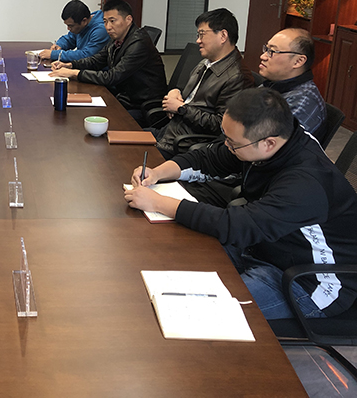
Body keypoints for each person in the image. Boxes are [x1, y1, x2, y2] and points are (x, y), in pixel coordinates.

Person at [124, 88, 357, 320]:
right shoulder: (270, 143)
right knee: (173, 254)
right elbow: (210, 158)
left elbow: (239, 226)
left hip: (307, 280)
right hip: (265, 247)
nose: (227, 145)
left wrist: (160, 203)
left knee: (198, 313)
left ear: (268, 143)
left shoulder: (306, 183)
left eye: (233, 143)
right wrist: (157, 173)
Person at [153, 8, 253, 158]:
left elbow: (221, 125)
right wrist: (175, 92)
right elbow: (190, 97)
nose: (198, 40)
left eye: (202, 34)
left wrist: (181, 109)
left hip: (183, 145)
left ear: (223, 36)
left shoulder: (237, 77)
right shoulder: (206, 63)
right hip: (169, 132)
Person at [49, 0, 167, 123]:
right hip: (125, 97)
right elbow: (96, 60)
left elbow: (112, 77)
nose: (108, 27)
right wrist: (70, 65)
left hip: (141, 105)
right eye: (105, 22)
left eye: (112, 21)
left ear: (128, 20)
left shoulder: (139, 43)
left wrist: (75, 73)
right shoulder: (117, 39)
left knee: (87, 118)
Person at [259, 27, 326, 140]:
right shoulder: (273, 84)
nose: (263, 56)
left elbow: (265, 144)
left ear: (298, 61)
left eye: (272, 52)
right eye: (266, 49)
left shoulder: (303, 102)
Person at [39, 0, 109, 63]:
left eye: (71, 26)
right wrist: (59, 45)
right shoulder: (82, 23)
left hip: (96, 70)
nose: (68, 29)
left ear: (84, 21)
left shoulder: (101, 30)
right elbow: (70, 39)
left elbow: (87, 55)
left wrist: (56, 54)